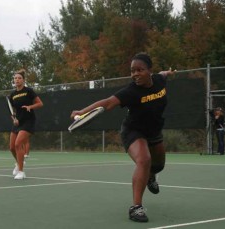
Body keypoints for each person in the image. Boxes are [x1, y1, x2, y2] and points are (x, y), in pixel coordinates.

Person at [70, 52, 176, 223]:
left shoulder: (159, 80)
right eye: (132, 71)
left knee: (159, 166)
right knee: (144, 160)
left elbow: (163, 74)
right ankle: (136, 208)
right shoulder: (131, 91)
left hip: (154, 131)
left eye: (139, 70)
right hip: (134, 131)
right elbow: (106, 103)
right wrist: (82, 112)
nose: (135, 74)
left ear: (150, 70)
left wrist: (168, 73)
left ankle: (150, 176)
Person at [9, 69, 43, 180]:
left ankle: (21, 172)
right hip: (18, 122)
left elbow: (40, 103)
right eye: (15, 78)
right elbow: (13, 111)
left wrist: (30, 107)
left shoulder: (29, 91)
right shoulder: (12, 95)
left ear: (23, 80)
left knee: (18, 144)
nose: (17, 80)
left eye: (19, 78)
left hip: (28, 121)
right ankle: (18, 163)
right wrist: (14, 118)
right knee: (11, 147)